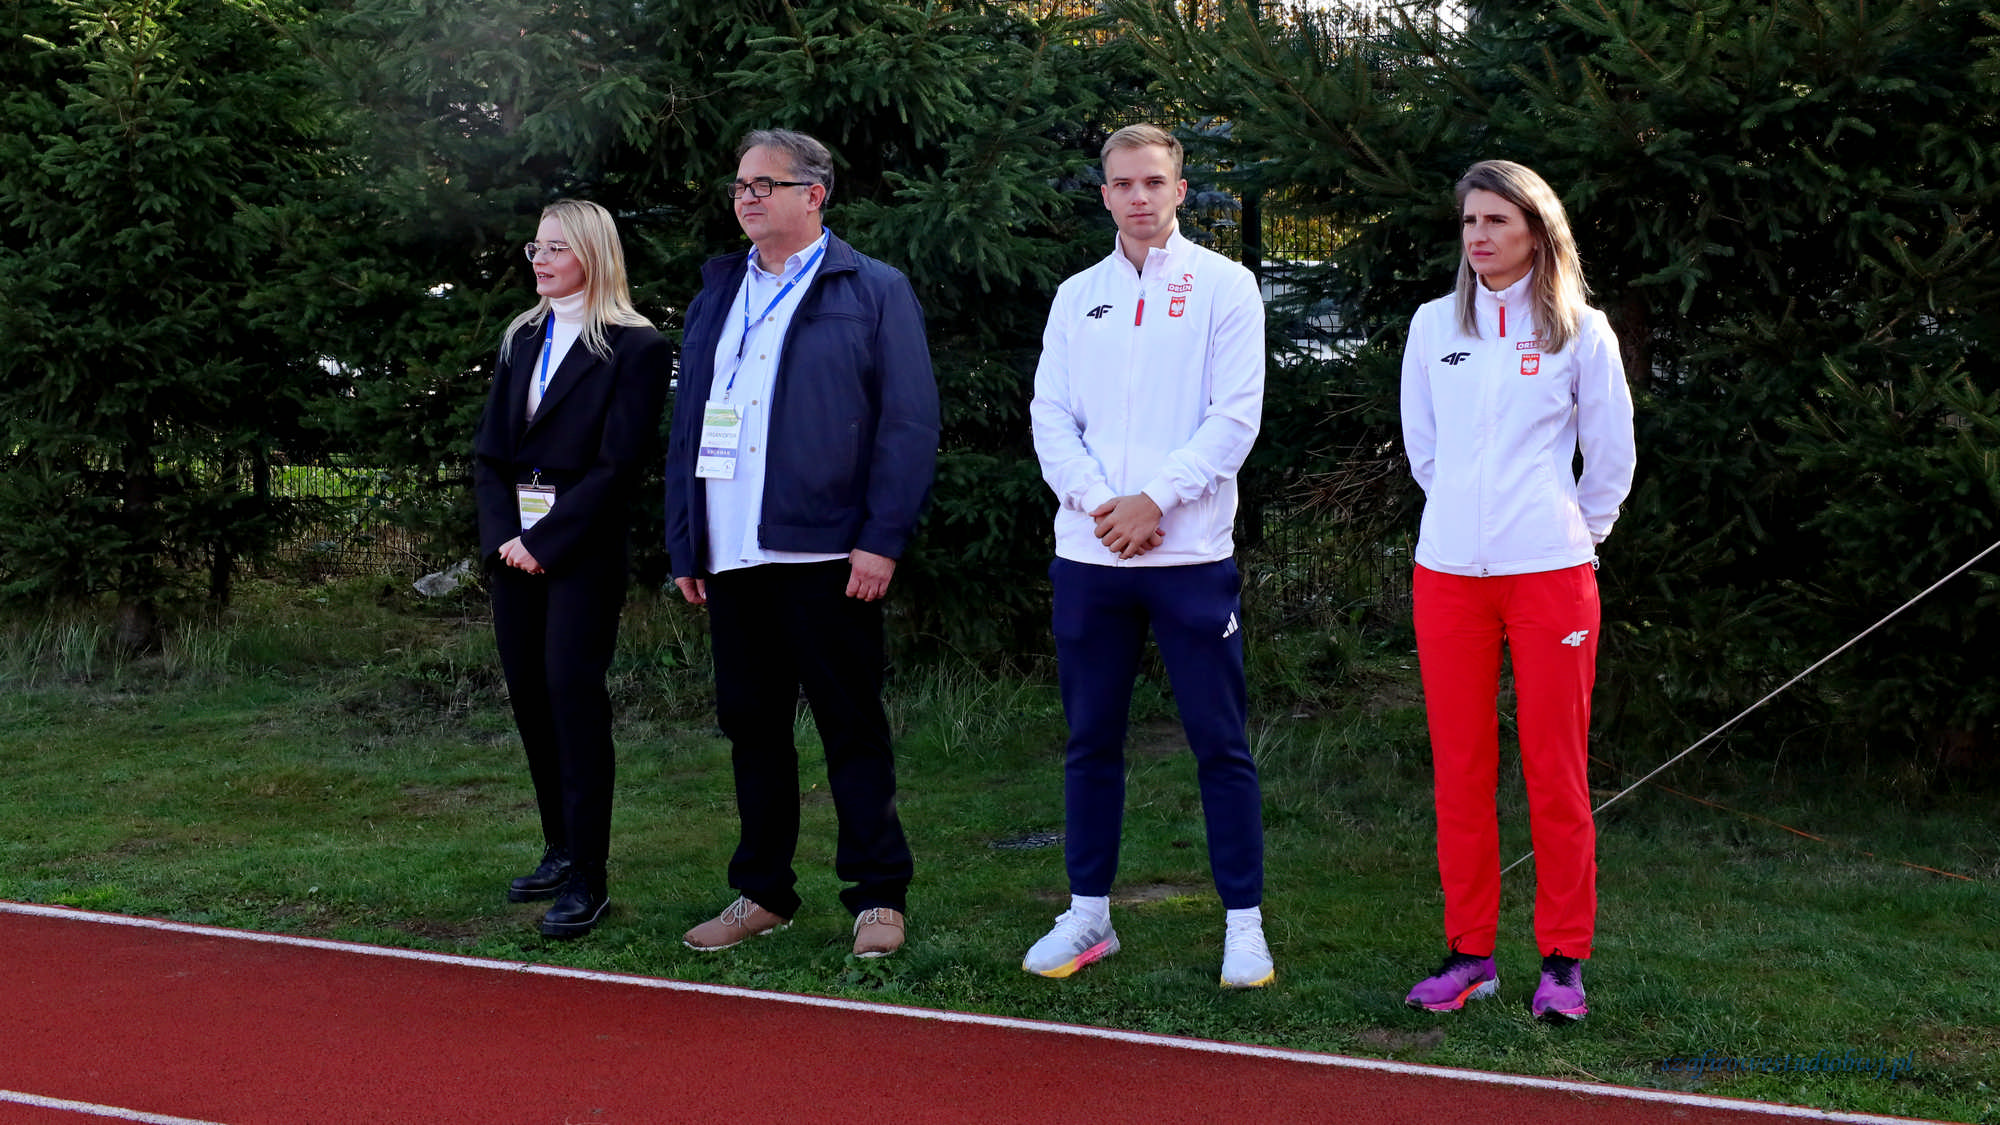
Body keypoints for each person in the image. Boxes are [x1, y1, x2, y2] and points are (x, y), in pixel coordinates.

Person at [664, 128, 939, 960]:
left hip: (827, 554)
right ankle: (763, 893)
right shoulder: (718, 292)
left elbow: (908, 424)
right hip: (732, 553)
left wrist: (880, 539)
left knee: (851, 729)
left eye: (765, 184)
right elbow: (687, 427)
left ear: (813, 195)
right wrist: (687, 542)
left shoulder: (873, 288)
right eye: (740, 185)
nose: (746, 197)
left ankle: (879, 895)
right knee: (753, 729)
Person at [1024, 124, 1272, 988]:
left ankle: (1244, 923)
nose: (1138, 196)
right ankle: (1089, 915)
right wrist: (1103, 506)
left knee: (1220, 743)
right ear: (1105, 194)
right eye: (1123, 183)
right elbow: (1050, 416)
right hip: (1091, 557)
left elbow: (1233, 418)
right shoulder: (1076, 295)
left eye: (1153, 181)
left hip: (1189, 557)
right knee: (1091, 740)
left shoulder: (1226, 286)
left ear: (1179, 189)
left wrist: (1155, 501)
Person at [1399, 159, 1636, 1020]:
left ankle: (1563, 961)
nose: (1479, 235)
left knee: (1555, 772)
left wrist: (1569, 533)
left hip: (1552, 579)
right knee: (1461, 772)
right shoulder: (1434, 325)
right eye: (1470, 220)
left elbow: (1611, 456)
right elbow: (1426, 449)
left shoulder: (1582, 330)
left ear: (1537, 230)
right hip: (1449, 577)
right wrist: (1468, 520)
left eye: (1496, 219)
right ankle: (1471, 954)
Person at [473, 199, 671, 939]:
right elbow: (490, 453)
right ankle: (559, 849)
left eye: (556, 247)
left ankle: (590, 874)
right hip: (514, 551)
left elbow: (618, 466)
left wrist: (546, 541)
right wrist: (506, 538)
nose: (540, 259)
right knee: (529, 693)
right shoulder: (522, 337)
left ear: (593, 253)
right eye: (536, 247)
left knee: (571, 696)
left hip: (580, 550)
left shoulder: (636, 346)